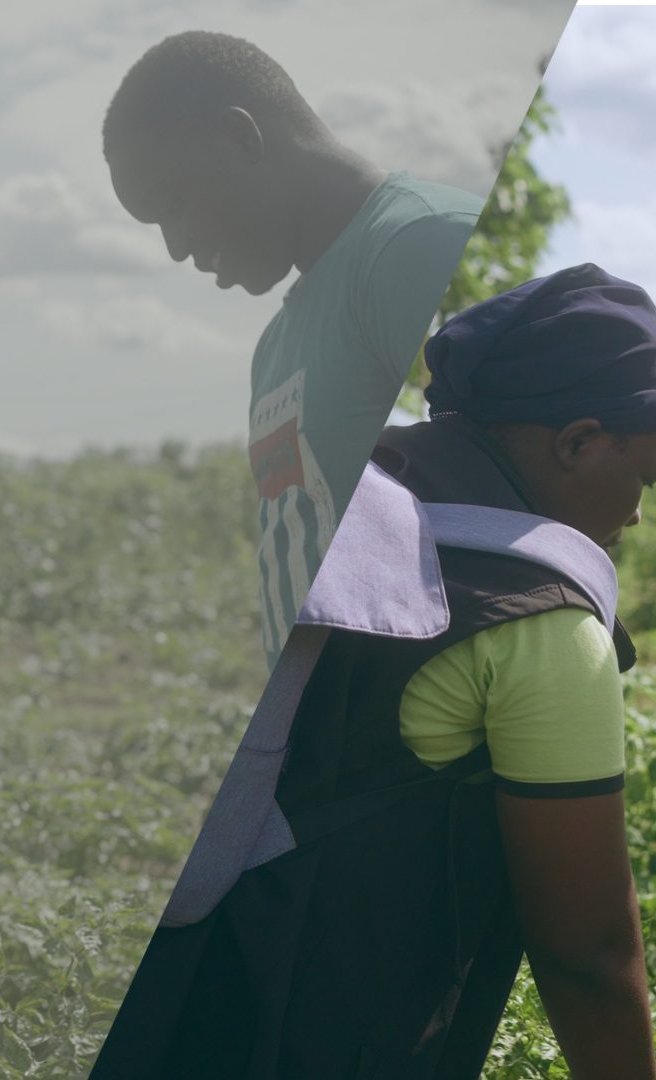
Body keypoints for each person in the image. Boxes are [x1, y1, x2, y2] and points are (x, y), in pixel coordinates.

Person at [92, 264, 656, 1079]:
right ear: (579, 442)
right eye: (643, 477)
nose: (637, 512)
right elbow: (586, 950)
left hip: (161, 1008)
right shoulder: (544, 625)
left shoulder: (324, 494)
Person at [102, 30, 483, 670]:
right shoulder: (278, 345)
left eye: (174, 205)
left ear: (240, 138)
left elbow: (487, 520)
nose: (176, 246)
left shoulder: (416, 247)